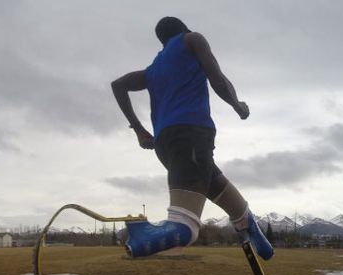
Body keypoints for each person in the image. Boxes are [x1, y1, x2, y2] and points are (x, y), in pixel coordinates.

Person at [111, 16, 273, 260]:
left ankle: (247, 224)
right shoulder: (192, 39)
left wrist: (139, 130)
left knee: (210, 182)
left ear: (161, 41)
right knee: (185, 226)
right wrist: (236, 104)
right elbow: (217, 77)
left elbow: (118, 85)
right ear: (183, 29)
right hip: (191, 133)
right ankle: (146, 235)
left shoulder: (153, 70)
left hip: (165, 144)